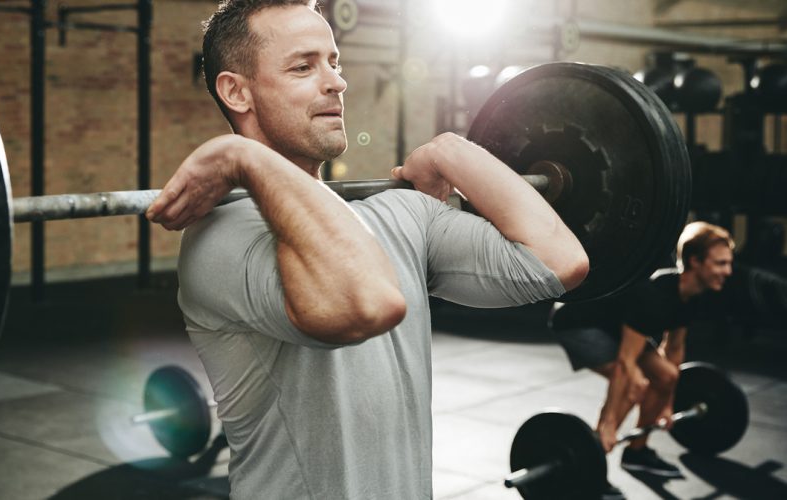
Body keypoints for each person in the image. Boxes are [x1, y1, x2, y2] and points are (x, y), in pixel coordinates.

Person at [146, 1, 588, 497]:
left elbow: (559, 262)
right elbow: (366, 304)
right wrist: (243, 155)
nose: (337, 82)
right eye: (303, 66)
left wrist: (451, 150)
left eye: (334, 62)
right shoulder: (222, 239)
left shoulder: (398, 213)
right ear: (236, 92)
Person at [550, 221, 734, 499]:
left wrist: (668, 404)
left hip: (616, 322)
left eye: (728, 263)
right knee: (634, 383)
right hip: (578, 320)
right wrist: (610, 422)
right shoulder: (654, 297)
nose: (727, 271)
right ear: (695, 262)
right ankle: (592, 466)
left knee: (667, 377)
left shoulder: (691, 294)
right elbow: (626, 364)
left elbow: (674, 350)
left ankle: (636, 452)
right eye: (720, 263)